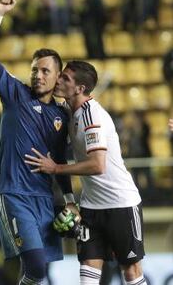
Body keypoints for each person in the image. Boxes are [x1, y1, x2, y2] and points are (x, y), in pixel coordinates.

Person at [0, 0, 78, 285]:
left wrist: (70, 200)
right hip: (14, 194)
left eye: (45, 70)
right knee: (35, 266)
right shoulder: (15, 94)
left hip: (44, 199)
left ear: (58, 77)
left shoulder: (60, 115)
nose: (37, 75)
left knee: (38, 272)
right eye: (34, 69)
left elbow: (60, 160)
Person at [25, 60, 147, 285]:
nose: (59, 80)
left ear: (80, 89)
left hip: (120, 204)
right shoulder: (68, 112)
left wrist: (56, 168)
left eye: (66, 79)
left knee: (131, 272)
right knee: (88, 275)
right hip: (91, 207)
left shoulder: (92, 115)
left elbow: (97, 165)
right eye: (60, 76)